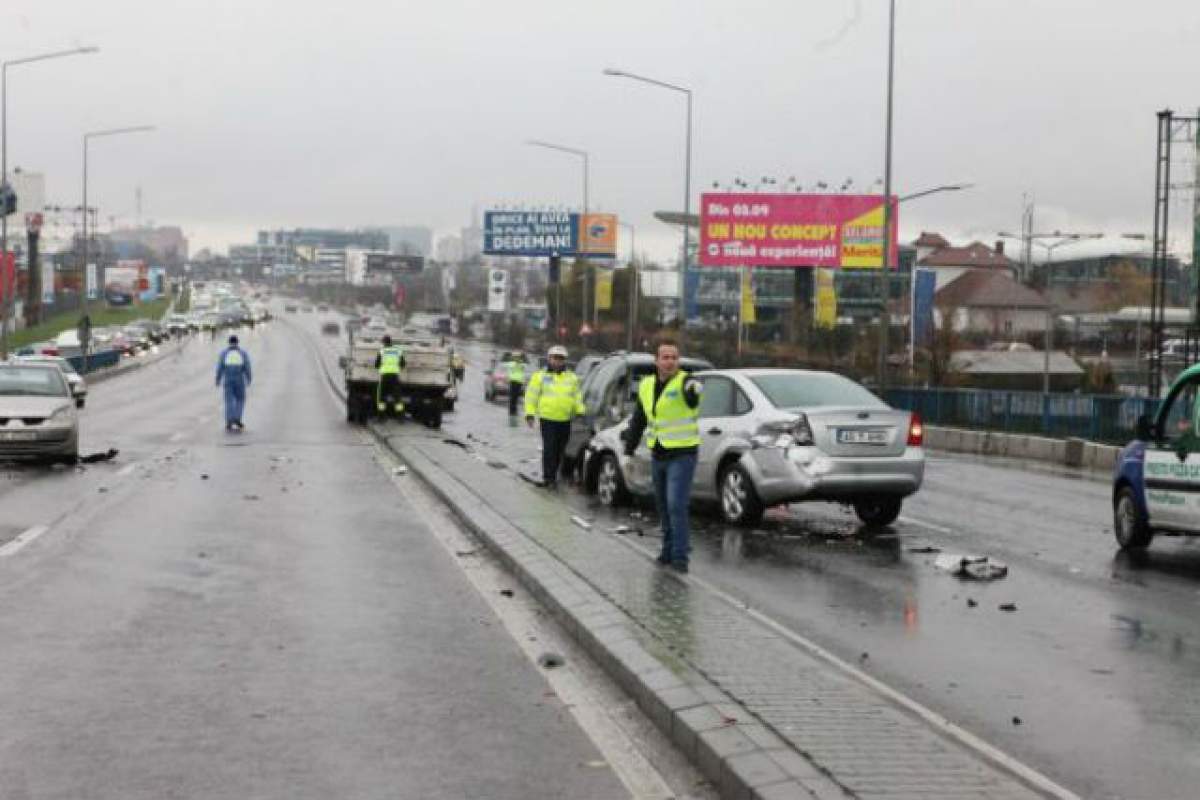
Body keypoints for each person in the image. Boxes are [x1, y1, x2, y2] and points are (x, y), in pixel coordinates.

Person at [623, 339, 702, 573]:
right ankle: (667, 552)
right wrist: (628, 451)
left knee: (676, 505)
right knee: (663, 506)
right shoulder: (647, 385)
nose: (670, 361)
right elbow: (639, 420)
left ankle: (680, 558)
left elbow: (694, 394)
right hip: (658, 453)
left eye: (674, 357)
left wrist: (694, 391)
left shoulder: (686, 381)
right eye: (665, 357)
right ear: (656, 361)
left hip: (683, 454)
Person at [525, 345, 585, 489]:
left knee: (560, 449)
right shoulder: (540, 376)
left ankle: (553, 474)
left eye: (560, 359)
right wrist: (530, 413)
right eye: (555, 358)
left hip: (565, 419)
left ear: (564, 361)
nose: (557, 361)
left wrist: (580, 410)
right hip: (548, 419)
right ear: (549, 358)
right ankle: (549, 478)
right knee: (549, 448)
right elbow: (531, 396)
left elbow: (577, 396)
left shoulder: (572, 378)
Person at [215, 334, 252, 431]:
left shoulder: (224, 353)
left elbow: (220, 367)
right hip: (239, 379)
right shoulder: (242, 353)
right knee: (240, 399)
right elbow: (247, 366)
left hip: (228, 379)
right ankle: (237, 418)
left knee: (229, 400)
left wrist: (218, 379)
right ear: (237, 343)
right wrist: (248, 378)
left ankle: (229, 420)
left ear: (229, 343)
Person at [374, 334, 406, 418]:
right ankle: (400, 416)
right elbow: (403, 364)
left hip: (385, 377)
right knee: (397, 398)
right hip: (395, 377)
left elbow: (376, 365)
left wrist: (382, 367)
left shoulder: (382, 351)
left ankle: (381, 416)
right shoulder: (397, 351)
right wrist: (396, 368)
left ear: (384, 342)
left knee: (381, 397)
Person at [505, 351, 527, 416]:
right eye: (515, 357)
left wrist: (520, 362)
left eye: (518, 357)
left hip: (519, 381)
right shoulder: (511, 363)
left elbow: (524, 367)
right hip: (513, 381)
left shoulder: (522, 364)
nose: (517, 358)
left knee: (516, 397)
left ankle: (514, 410)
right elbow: (509, 366)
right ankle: (511, 411)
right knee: (512, 397)